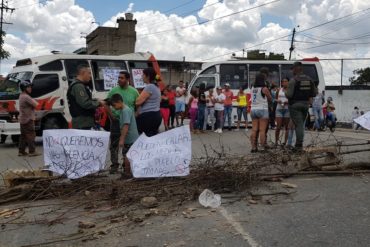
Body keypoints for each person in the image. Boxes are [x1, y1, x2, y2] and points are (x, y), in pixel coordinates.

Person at [106, 71, 139, 173]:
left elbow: (138, 105)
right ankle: (114, 165)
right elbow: (107, 104)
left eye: (122, 78)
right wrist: (111, 116)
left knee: (127, 147)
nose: (119, 80)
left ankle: (127, 167)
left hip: (128, 123)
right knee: (114, 145)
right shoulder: (113, 91)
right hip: (116, 121)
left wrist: (135, 116)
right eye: (118, 78)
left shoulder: (134, 92)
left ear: (128, 79)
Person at [286, 62, 317, 151]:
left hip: (295, 106)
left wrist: (285, 92)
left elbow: (289, 95)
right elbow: (314, 93)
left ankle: (299, 145)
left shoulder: (293, 80)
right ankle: (298, 144)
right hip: (305, 105)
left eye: (293, 69)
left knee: (298, 125)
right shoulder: (310, 79)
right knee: (300, 125)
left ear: (297, 68)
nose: (292, 71)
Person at [110, 94, 139, 177]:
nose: (113, 107)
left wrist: (121, 139)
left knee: (127, 155)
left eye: (114, 105)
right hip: (130, 138)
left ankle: (127, 173)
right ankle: (130, 171)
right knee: (128, 154)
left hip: (130, 138)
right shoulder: (124, 110)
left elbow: (125, 126)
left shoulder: (125, 111)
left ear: (119, 102)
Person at [67, 64, 104, 129]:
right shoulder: (78, 86)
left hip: (83, 122)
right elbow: (85, 103)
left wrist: (96, 100)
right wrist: (99, 103)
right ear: (82, 73)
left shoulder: (78, 85)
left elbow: (83, 100)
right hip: (83, 123)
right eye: (89, 73)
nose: (90, 76)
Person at [136, 67, 162, 137]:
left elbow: (138, 102)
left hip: (148, 117)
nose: (142, 76)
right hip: (156, 115)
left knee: (145, 138)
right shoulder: (156, 87)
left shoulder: (149, 86)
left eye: (143, 75)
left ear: (148, 76)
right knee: (152, 138)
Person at [250, 74, 272, 152]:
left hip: (253, 110)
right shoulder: (264, 88)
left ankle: (253, 148)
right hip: (262, 109)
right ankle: (262, 148)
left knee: (254, 130)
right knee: (262, 130)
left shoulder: (252, 88)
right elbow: (270, 98)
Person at [18, 80, 40, 157]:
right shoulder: (26, 97)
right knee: (31, 135)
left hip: (22, 119)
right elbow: (36, 105)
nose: (30, 88)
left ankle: (21, 151)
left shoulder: (21, 96)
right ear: (24, 88)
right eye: (29, 87)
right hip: (28, 119)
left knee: (23, 136)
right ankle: (32, 151)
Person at [275, 78, 290, 146]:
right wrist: (278, 101)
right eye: (283, 81)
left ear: (288, 82)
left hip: (287, 109)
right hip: (279, 109)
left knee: (287, 127)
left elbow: (292, 99)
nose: (284, 82)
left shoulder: (290, 90)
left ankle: (285, 142)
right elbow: (275, 98)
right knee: (278, 126)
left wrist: (288, 102)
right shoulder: (279, 90)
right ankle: (276, 142)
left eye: (286, 81)